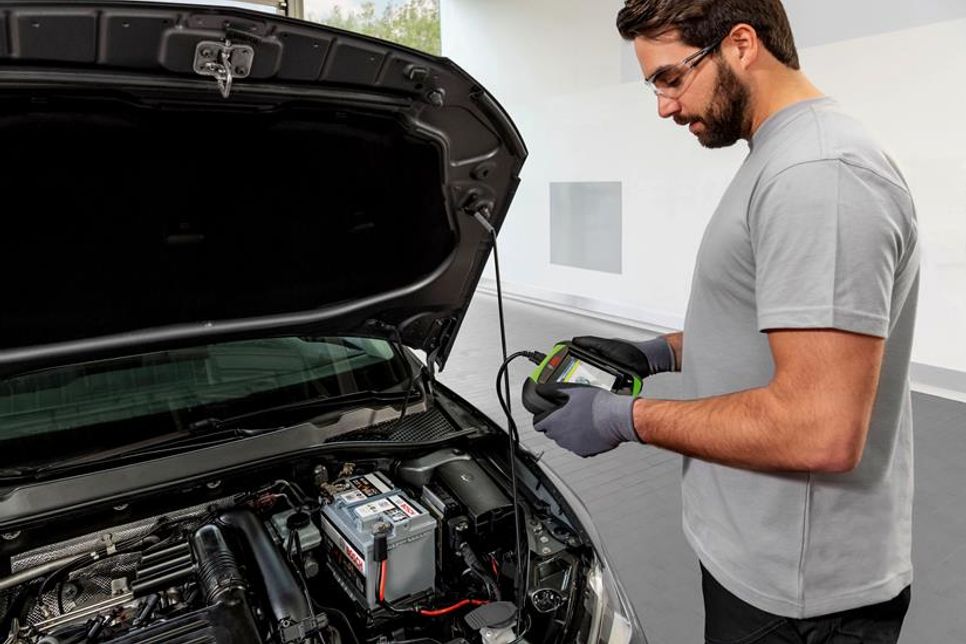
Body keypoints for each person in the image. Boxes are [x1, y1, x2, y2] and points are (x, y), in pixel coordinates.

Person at [521, 1, 920, 642]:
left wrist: (622, 418)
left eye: (670, 77)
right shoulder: (783, 155)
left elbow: (820, 428)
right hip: (763, 563)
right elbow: (773, 323)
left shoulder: (817, 176)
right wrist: (657, 354)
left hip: (800, 600)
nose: (664, 107)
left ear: (740, 44)